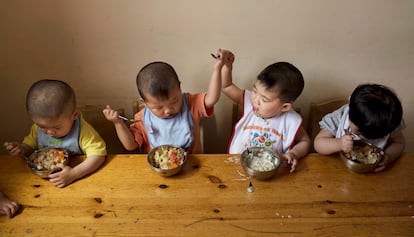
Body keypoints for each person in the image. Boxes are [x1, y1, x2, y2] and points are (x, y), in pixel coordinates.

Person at [219, 49, 310, 172]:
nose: (255, 100)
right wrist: (227, 67)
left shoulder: (290, 120)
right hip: (237, 166)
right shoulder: (248, 102)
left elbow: (305, 141)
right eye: (255, 91)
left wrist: (294, 154)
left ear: (284, 107)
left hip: (270, 172)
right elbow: (227, 86)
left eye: (264, 99)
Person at [103, 59, 222, 153]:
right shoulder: (142, 119)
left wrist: (217, 69)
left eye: (174, 101)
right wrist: (118, 123)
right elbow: (130, 146)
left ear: (179, 88)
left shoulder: (191, 104)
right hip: (158, 171)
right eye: (158, 107)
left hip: (193, 166)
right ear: (144, 103)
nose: (168, 110)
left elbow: (212, 99)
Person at [4, 79, 107, 188]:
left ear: (74, 115)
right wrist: (22, 149)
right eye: (42, 126)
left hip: (79, 179)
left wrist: (74, 174)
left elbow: (98, 156)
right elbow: (30, 146)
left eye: (57, 127)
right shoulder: (37, 128)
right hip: (42, 184)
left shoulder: (83, 131)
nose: (49, 132)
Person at [314, 83, 405, 172]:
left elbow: (399, 143)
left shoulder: (387, 123)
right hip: (335, 169)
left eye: (375, 137)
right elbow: (318, 143)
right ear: (350, 116)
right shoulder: (339, 117)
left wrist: (389, 157)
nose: (363, 138)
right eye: (358, 133)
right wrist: (339, 144)